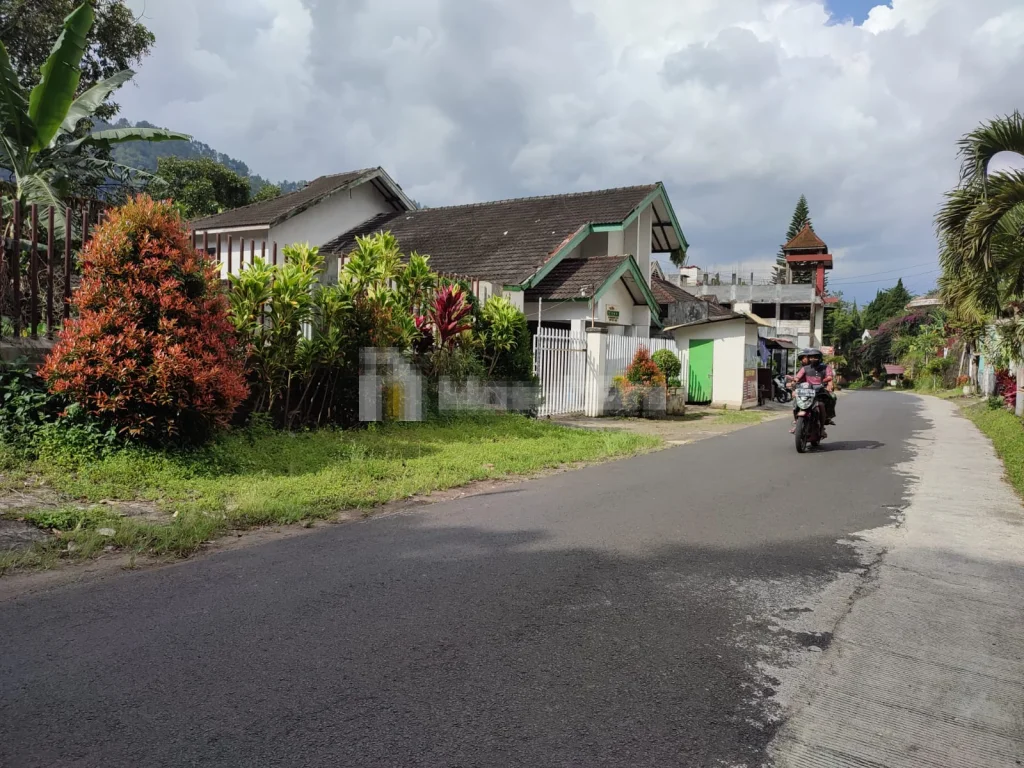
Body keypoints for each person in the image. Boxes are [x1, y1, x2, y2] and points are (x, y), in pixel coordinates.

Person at [788, 348, 836, 434]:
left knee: (822, 404)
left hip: (820, 391)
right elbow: (798, 377)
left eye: (815, 357)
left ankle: (823, 426)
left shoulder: (826, 367)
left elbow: (829, 377)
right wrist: (794, 382)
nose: (813, 359)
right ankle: (797, 423)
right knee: (796, 402)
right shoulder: (805, 368)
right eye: (811, 357)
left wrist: (827, 383)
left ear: (820, 358)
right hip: (807, 391)